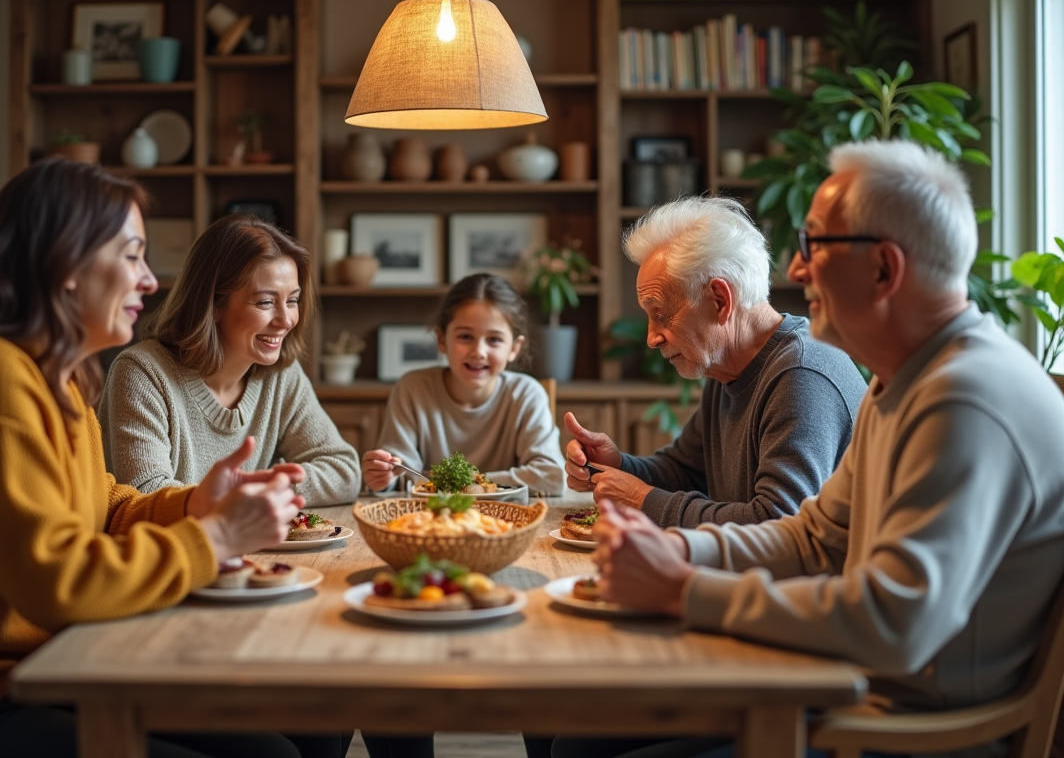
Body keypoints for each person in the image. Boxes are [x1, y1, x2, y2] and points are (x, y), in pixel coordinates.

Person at [567, 140, 1064, 758]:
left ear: (884, 268)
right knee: (575, 734)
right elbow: (809, 538)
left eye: (816, 247)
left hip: (899, 730)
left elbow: (894, 624)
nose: (796, 272)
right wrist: (674, 548)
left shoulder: (965, 398)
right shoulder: (902, 381)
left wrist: (683, 589)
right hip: (842, 688)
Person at [0, 159, 344, 758]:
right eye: (132, 255)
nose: (149, 279)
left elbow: (103, 507)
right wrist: (214, 536)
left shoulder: (55, 376)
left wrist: (194, 503)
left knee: (310, 723)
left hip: (53, 664)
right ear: (66, 267)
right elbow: (59, 581)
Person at [564, 196, 866, 527]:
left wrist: (640, 499)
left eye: (661, 315)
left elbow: (777, 524)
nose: (652, 338)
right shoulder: (728, 367)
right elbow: (685, 471)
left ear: (720, 300)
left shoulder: (801, 375)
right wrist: (618, 465)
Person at [99, 214, 361, 506]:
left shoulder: (281, 374)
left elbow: (344, 470)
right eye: (265, 302)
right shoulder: (142, 374)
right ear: (212, 305)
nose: (286, 320)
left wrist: (261, 490)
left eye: (292, 300)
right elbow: (147, 496)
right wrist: (256, 494)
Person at [361, 273, 565, 497]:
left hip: (507, 522)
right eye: (465, 336)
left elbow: (551, 477)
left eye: (494, 340)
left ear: (514, 348)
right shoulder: (412, 389)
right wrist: (384, 476)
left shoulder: (527, 395)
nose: (478, 351)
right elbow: (401, 476)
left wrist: (466, 484)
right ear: (441, 340)